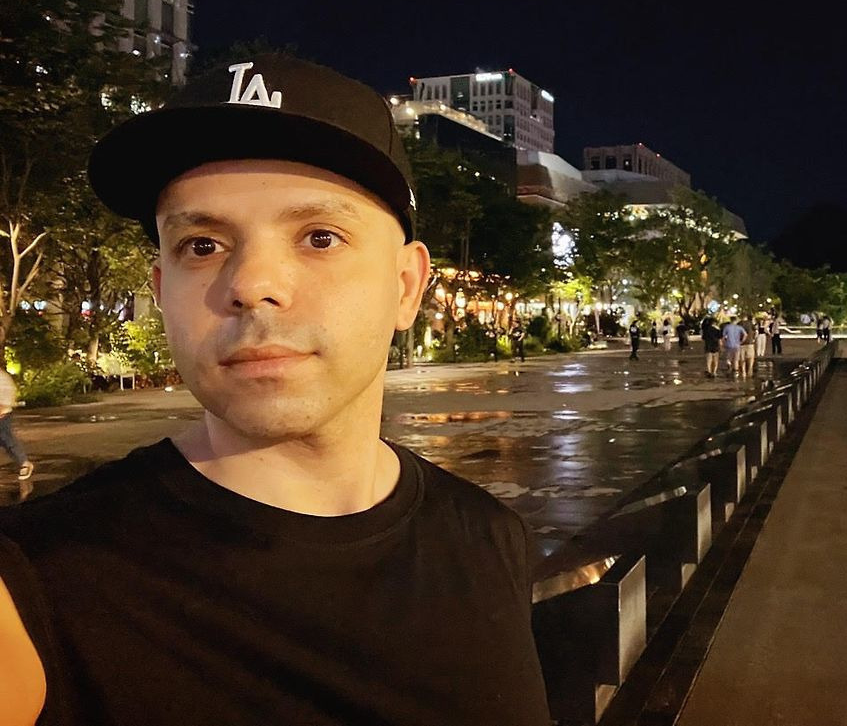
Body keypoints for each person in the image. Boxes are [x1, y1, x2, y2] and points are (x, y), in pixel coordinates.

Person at [0, 56, 551, 726]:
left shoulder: (489, 539)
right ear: (162, 291)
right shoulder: (38, 581)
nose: (251, 283)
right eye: (202, 245)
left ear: (406, 287)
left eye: (320, 237)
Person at [0, 369, 34, 482]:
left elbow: (7, 394)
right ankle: (23, 462)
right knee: (5, 440)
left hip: (3, 414)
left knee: (6, 439)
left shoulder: (2, 377)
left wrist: (3, 407)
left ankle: (24, 463)